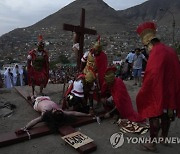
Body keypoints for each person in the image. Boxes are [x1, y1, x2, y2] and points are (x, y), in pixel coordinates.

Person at [136, 22, 180, 151]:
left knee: (154, 112)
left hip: (158, 89)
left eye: (146, 47)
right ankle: (164, 137)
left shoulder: (156, 52)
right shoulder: (170, 50)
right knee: (166, 114)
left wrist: (145, 91)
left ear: (149, 43)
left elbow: (152, 75)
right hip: (171, 89)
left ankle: (152, 143)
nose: (146, 50)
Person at [16, 96, 92, 133]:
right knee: (40, 95)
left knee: (33, 98)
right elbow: (74, 113)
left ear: (52, 114)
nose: (57, 109)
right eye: (58, 110)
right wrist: (87, 115)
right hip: (47, 99)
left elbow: (35, 121)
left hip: (37, 102)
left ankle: (32, 98)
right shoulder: (60, 111)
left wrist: (25, 128)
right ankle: (33, 97)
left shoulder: (45, 113)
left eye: (55, 110)